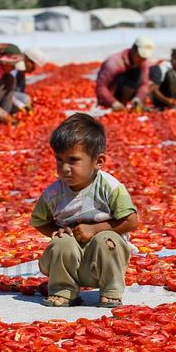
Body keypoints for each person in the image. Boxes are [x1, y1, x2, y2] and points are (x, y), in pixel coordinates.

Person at [30, 113, 140, 308]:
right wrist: (56, 232)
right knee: (63, 242)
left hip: (104, 262)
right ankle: (64, 289)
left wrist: (95, 229)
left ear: (98, 161)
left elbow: (131, 221)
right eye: (59, 160)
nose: (64, 168)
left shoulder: (110, 187)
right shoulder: (53, 193)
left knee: (107, 240)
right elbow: (40, 221)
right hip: (69, 263)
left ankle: (111, 290)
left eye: (73, 160)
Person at [95, 36, 154, 112]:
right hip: (111, 95)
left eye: (144, 57)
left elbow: (145, 84)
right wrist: (113, 102)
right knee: (134, 72)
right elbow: (101, 87)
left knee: (154, 72)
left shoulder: (143, 61)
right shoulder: (114, 63)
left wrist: (138, 98)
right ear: (133, 49)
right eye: (140, 56)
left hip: (128, 92)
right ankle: (122, 104)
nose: (142, 59)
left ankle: (129, 104)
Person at [12, 47, 48, 114]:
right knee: (25, 99)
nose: (34, 69)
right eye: (33, 65)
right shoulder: (13, 69)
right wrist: (21, 104)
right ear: (27, 60)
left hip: (10, 99)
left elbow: (19, 91)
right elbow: (7, 94)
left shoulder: (21, 73)